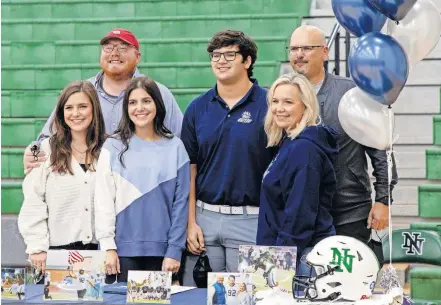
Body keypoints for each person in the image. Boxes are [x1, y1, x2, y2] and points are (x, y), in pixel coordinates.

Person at [288, 25, 397, 249]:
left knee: (347, 280)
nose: (299, 54)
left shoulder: (352, 94)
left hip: (348, 211)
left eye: (307, 48)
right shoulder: (282, 97)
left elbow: (381, 149)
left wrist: (383, 199)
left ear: (325, 52)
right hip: (299, 211)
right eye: (294, 49)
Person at [181, 29, 275, 286]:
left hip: (252, 219)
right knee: (197, 297)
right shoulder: (197, 108)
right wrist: (191, 222)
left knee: (251, 297)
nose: (220, 60)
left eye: (229, 54)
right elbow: (190, 169)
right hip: (205, 220)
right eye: (215, 55)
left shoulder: (270, 105)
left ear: (247, 61)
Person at [23, 28, 183, 174]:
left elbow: (179, 141)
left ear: (138, 56)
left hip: (139, 183)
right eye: (108, 47)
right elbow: (45, 138)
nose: (114, 53)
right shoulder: (82, 92)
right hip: (90, 183)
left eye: (123, 47)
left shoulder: (158, 93)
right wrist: (33, 151)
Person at [94, 76, 190, 283]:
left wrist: (174, 250)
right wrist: (108, 246)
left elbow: (181, 203)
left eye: (146, 101)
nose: (140, 108)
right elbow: (103, 201)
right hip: (121, 252)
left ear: (157, 103)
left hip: (163, 253)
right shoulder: (112, 147)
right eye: (133, 102)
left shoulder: (176, 147)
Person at [18, 81, 107, 273]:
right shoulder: (43, 149)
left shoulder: (108, 150)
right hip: (54, 254)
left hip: (100, 254)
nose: (76, 113)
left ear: (94, 109)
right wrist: (37, 248)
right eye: (69, 107)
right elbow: (33, 201)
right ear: (61, 112)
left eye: (83, 106)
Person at [256, 73, 338, 277]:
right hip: (285, 253)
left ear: (305, 106)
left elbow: (299, 214)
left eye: (288, 102)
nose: (279, 108)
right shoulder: (290, 142)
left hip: (299, 259)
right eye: (275, 101)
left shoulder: (304, 149)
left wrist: (277, 263)